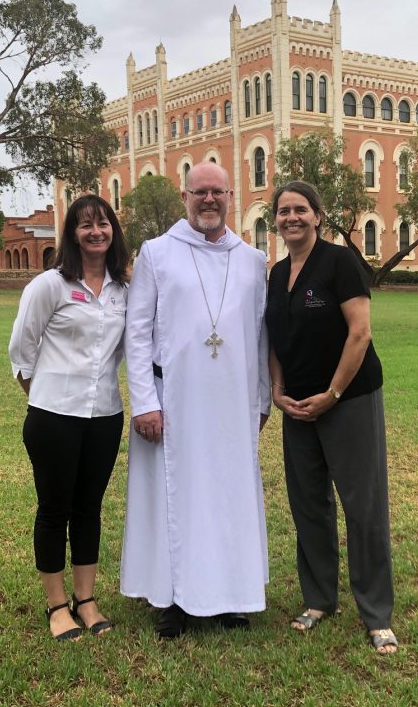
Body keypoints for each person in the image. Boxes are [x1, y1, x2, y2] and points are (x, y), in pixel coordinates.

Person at [121, 162, 271, 638]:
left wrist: (262, 400)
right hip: (174, 401)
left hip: (232, 403)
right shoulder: (157, 253)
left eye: (217, 192)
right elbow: (137, 332)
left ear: (231, 196)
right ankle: (174, 600)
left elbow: (261, 335)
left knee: (229, 495)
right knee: (176, 496)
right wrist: (144, 401)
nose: (209, 200)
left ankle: (231, 595)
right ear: (184, 198)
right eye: (199, 192)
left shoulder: (251, 260)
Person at [265, 180, 398, 654]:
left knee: (363, 507)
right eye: (283, 211)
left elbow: (359, 334)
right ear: (275, 220)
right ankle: (319, 598)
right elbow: (274, 340)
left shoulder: (341, 263)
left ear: (318, 216)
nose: (292, 218)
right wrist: (278, 391)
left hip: (350, 399)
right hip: (298, 406)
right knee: (308, 505)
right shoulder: (276, 274)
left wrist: (333, 393)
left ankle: (377, 613)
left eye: (301, 209)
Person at [8, 194, 130, 641]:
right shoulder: (49, 287)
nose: (96, 231)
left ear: (113, 232)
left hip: (104, 416)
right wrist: (45, 397)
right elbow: (21, 353)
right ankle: (57, 605)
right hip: (53, 416)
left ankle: (87, 600)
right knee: (54, 509)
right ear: (72, 234)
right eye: (85, 225)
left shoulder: (123, 292)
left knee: (89, 510)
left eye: (103, 224)